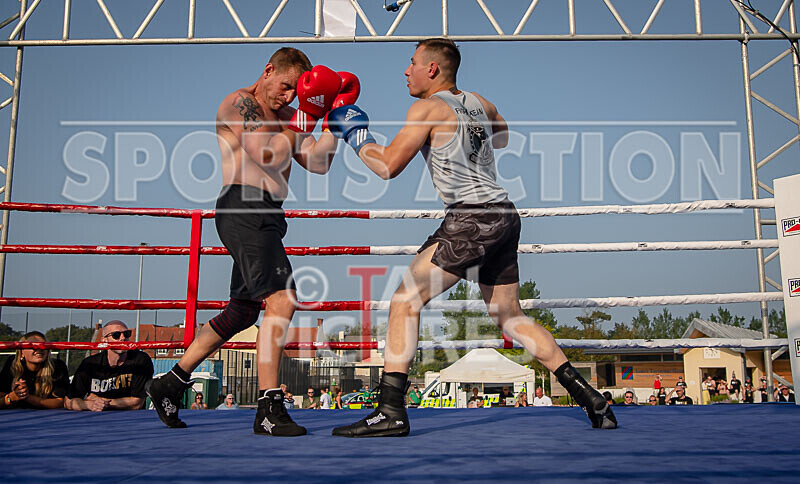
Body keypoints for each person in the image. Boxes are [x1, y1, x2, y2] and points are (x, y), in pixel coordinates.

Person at [329, 38, 616, 437]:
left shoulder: (426, 108)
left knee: (404, 301)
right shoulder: (481, 102)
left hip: (471, 218)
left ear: (433, 69)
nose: (405, 71)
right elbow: (501, 136)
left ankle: (390, 411)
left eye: (411, 63)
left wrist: (356, 135)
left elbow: (388, 166)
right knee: (510, 317)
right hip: (503, 214)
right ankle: (591, 398)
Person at [145, 47, 351, 437]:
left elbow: (319, 163)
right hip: (244, 205)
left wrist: (333, 120)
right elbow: (268, 153)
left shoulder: (291, 117)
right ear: (268, 70)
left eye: (297, 92)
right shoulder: (240, 103)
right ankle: (269, 408)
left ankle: (170, 381)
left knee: (242, 312)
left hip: (268, 213)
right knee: (282, 299)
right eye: (286, 86)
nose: (288, 96)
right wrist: (307, 116)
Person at [65, 321, 153, 411]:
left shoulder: (140, 360)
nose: (123, 338)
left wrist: (102, 401)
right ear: (104, 340)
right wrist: (88, 405)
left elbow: (137, 403)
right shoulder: (91, 363)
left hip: (130, 418)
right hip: (96, 418)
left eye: (126, 334)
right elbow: (69, 401)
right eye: (116, 335)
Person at [0, 331, 69, 409]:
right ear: (22, 352)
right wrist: (10, 398)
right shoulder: (13, 364)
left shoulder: (57, 366)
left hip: (47, 417)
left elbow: (60, 402)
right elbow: (2, 395)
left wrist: (26, 396)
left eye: (43, 346)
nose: (39, 349)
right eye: (32, 346)